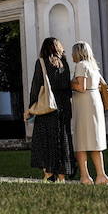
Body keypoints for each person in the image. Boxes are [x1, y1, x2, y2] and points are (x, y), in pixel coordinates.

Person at [26, 37, 73, 182]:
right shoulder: (64, 64)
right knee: (63, 139)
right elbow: (68, 87)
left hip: (47, 107)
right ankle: (62, 175)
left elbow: (36, 87)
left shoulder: (41, 63)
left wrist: (31, 107)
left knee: (45, 139)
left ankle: (48, 173)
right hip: (64, 106)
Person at [69, 41, 108, 185]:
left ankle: (85, 176)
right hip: (95, 102)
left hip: (84, 104)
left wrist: (67, 84)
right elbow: (101, 85)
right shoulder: (94, 67)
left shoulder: (81, 65)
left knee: (81, 141)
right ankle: (101, 175)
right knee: (95, 140)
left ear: (77, 53)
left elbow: (81, 87)